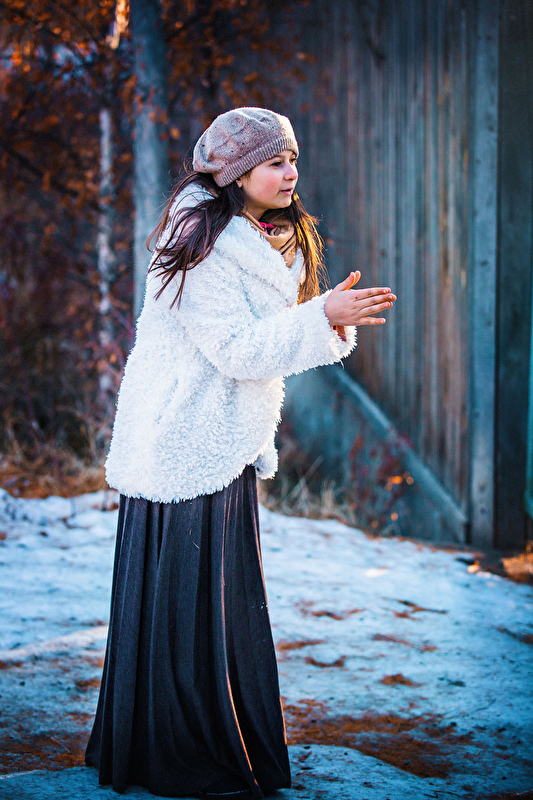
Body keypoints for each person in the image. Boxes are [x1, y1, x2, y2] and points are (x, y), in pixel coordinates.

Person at [84, 107, 397, 800]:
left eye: (292, 159)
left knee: (221, 609)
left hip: (221, 442)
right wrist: (322, 318)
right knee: (186, 612)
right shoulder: (201, 241)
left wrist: (319, 317)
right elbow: (235, 350)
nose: (290, 173)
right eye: (274, 162)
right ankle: (177, 753)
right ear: (235, 172)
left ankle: (221, 744)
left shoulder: (262, 233)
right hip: (182, 443)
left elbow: (259, 341)